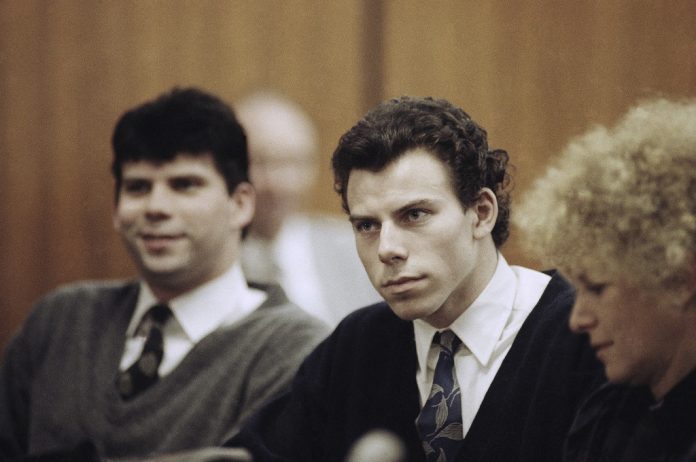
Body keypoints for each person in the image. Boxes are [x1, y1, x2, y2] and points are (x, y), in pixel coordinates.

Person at [225, 96, 603, 462]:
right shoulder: (356, 347)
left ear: (481, 213)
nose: (387, 248)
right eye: (367, 225)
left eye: (414, 215)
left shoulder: (586, 330)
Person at [0, 87, 329, 461]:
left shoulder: (295, 351)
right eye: (137, 187)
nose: (156, 207)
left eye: (184, 185)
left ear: (240, 205)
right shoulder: (60, 322)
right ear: (116, 209)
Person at [515, 98, 696, 462]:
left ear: (679, 280)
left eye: (596, 288)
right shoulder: (606, 413)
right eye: (577, 290)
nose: (578, 320)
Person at [236, 91, 379, 326]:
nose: (279, 183)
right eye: (260, 162)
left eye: (293, 163)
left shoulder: (357, 247)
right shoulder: (209, 261)